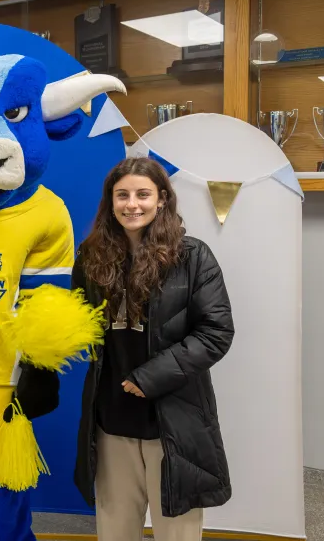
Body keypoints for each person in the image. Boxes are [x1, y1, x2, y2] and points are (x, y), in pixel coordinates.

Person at [72, 156, 234, 541]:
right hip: (111, 423)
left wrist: (149, 378)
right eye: (122, 195)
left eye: (143, 194)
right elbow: (78, 324)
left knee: (177, 533)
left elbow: (216, 332)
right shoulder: (91, 258)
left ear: (161, 199)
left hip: (174, 424)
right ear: (110, 202)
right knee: (114, 532)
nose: (132, 204)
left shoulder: (193, 257)